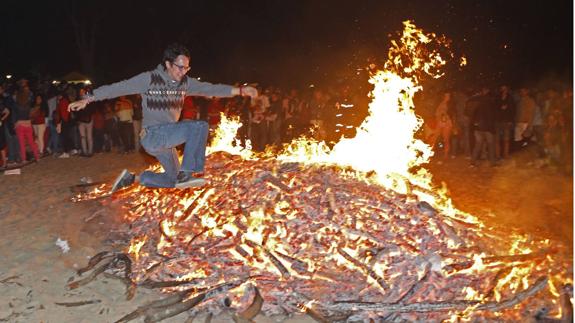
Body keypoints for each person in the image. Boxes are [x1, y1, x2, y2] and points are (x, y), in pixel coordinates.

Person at [69, 43, 257, 191]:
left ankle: (134, 178)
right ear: (168, 64)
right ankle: (188, 173)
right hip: (152, 135)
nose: (182, 72)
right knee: (198, 126)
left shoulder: (185, 83)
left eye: (186, 68)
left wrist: (240, 90)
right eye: (179, 67)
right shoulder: (149, 79)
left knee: (171, 179)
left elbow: (211, 88)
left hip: (166, 141)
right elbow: (119, 87)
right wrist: (89, 98)